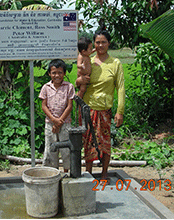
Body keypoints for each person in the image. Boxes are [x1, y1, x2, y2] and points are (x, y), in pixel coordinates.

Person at [76, 29, 125, 183]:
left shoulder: (115, 63)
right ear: (93, 44)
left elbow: (121, 88)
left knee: (104, 143)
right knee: (88, 142)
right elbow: (78, 81)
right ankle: (89, 174)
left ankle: (104, 174)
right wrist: (79, 81)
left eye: (103, 42)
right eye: (97, 42)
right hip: (88, 109)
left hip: (105, 111)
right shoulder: (87, 60)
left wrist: (120, 111)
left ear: (108, 43)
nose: (100, 45)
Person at [39, 59, 75, 172]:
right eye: (54, 73)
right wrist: (54, 120)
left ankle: (66, 172)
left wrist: (60, 121)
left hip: (65, 124)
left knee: (66, 150)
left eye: (60, 72)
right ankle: (52, 173)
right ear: (49, 73)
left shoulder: (69, 87)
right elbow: (44, 106)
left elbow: (69, 106)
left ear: (64, 73)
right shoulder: (46, 87)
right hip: (50, 124)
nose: (57, 75)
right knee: (50, 149)